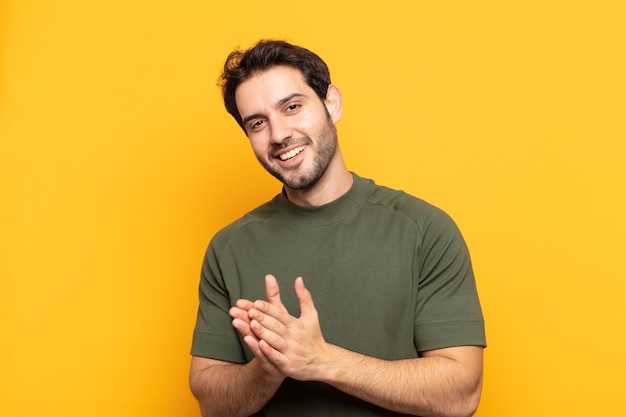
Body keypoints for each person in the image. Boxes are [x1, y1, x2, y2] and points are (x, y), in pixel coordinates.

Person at [189, 39, 486, 417]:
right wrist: (268, 367)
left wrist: (321, 360)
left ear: (332, 103)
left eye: (292, 107)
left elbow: (460, 395)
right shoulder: (229, 247)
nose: (279, 134)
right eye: (258, 123)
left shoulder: (424, 230)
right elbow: (211, 404)